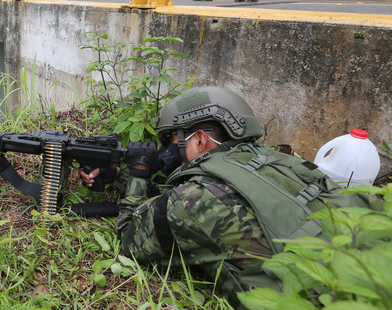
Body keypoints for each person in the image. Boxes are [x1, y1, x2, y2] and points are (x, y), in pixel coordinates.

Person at [80, 86, 382, 307]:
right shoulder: (273, 161)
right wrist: (119, 179)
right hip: (371, 268)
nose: (170, 150)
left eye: (173, 140)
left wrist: (139, 175)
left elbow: (131, 240)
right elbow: (225, 200)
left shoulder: (194, 201)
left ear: (199, 139)